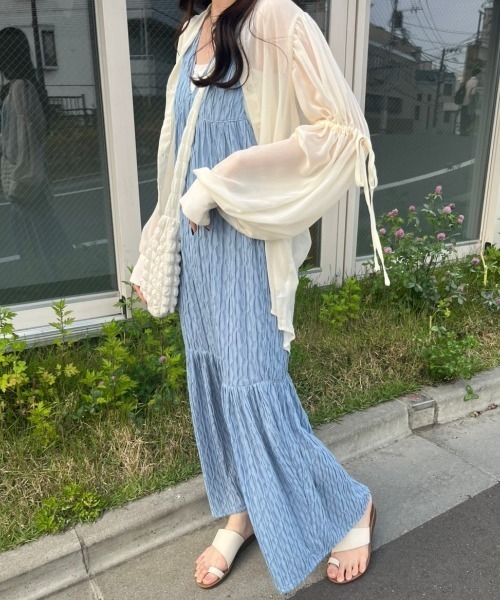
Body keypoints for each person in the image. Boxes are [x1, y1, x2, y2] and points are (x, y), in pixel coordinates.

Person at [131, 0, 387, 593]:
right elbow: (178, 151)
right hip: (197, 250)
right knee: (217, 379)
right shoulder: (193, 31)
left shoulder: (279, 21)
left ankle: (350, 504)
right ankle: (242, 511)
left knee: (252, 382)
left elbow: (341, 132)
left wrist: (220, 185)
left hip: (248, 244)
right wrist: (157, 236)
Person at [0, 27, 72, 281]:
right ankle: (54, 278)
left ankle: (52, 282)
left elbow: (22, 138)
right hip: (27, 173)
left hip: (23, 174)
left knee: (37, 238)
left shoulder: (19, 88)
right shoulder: (23, 86)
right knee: (39, 231)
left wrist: (19, 175)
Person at [460, 67, 481, 136]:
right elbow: (473, 93)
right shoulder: (476, 81)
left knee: (465, 117)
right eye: (480, 74)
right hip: (470, 101)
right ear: (477, 74)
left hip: (465, 100)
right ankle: (467, 130)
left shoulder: (469, 81)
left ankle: (463, 130)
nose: (480, 75)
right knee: (471, 116)